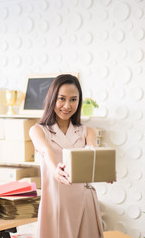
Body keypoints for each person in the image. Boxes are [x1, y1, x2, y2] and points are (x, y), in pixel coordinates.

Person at [29, 74, 104, 238]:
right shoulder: (38, 130)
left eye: (73, 99)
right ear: (52, 99)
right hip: (56, 202)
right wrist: (55, 169)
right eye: (61, 98)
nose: (67, 105)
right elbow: (46, 151)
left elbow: (93, 155)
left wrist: (104, 170)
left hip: (84, 201)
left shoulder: (87, 131)